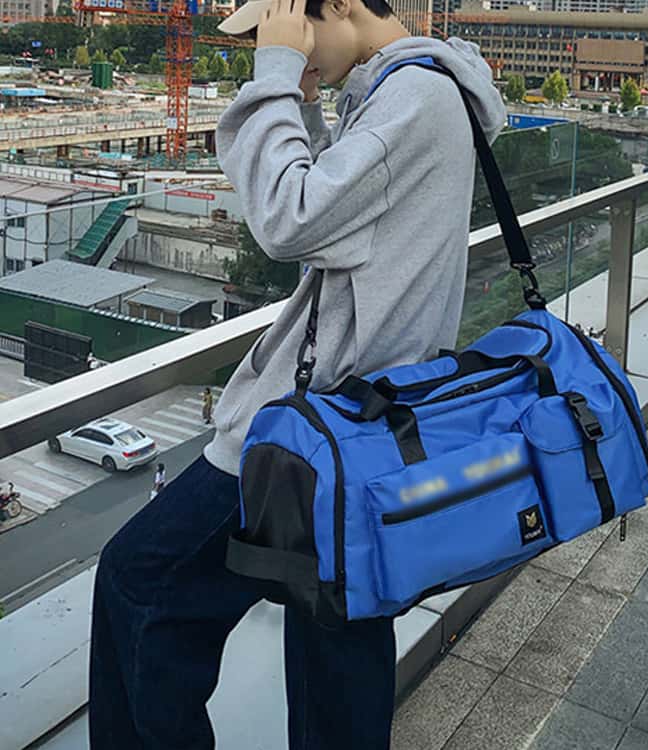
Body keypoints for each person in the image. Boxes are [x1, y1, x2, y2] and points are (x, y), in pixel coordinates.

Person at [88, 0, 506, 747]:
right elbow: (344, 221)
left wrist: (276, 76)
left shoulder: (416, 95)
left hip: (318, 430)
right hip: (364, 425)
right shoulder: (414, 88)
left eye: (288, 26)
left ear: (339, 5)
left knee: (139, 577)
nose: (282, 45)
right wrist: (305, 107)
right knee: (335, 642)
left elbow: (290, 221)